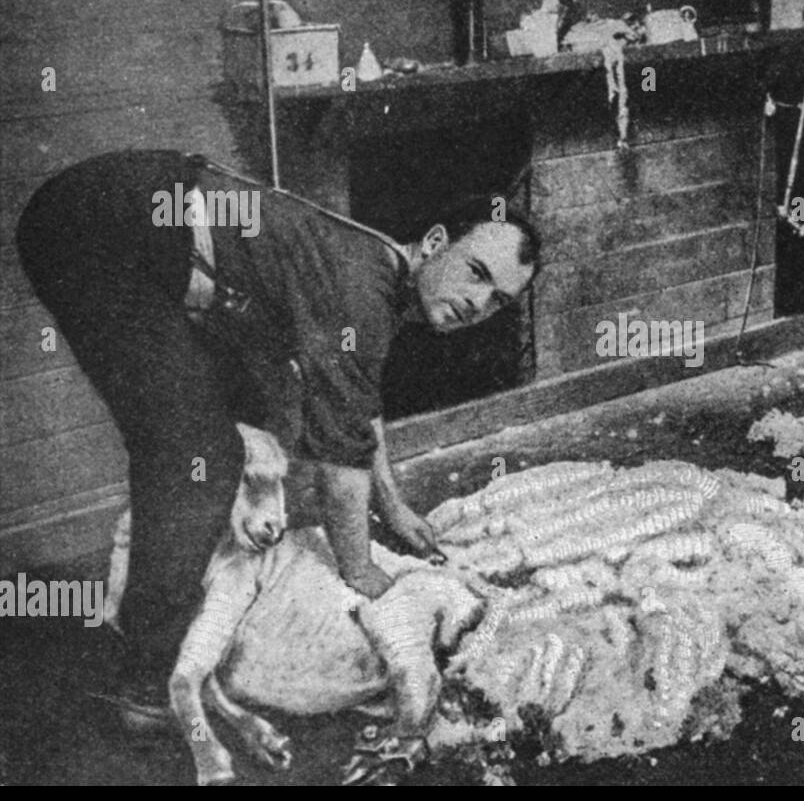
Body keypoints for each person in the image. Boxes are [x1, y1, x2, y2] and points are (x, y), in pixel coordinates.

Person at [16, 149, 539, 708]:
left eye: (498, 300)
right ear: (435, 243)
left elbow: (356, 401)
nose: (477, 303)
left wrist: (391, 504)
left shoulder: (380, 276)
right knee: (198, 453)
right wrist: (360, 570)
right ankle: (148, 674)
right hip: (93, 228)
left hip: (146, 218)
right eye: (476, 273)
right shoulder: (363, 290)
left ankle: (182, 585)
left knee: (236, 412)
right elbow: (340, 466)